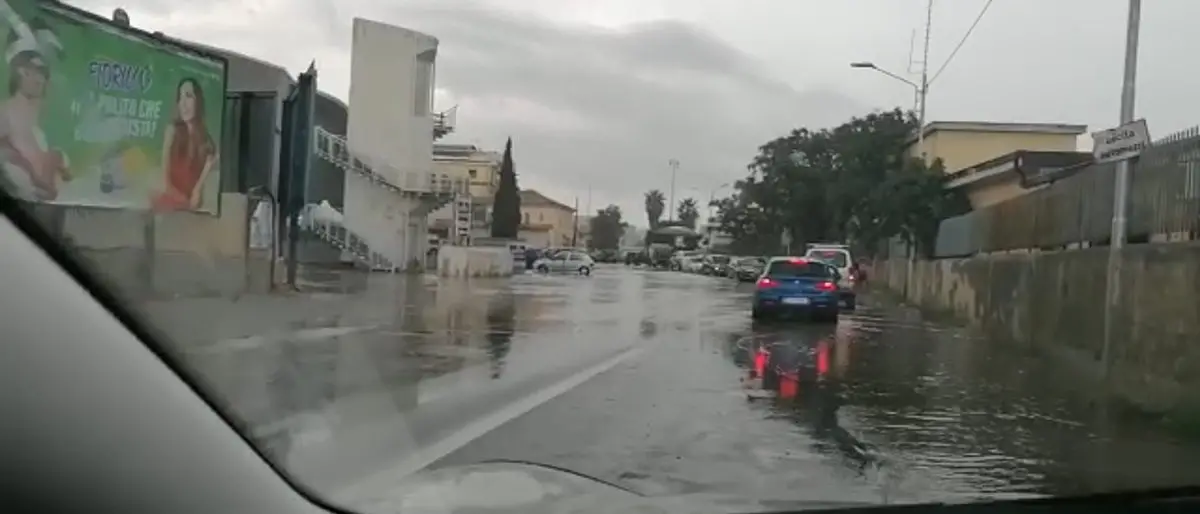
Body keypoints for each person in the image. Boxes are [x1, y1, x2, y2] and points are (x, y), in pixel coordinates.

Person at [0, 49, 69, 201]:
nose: (39, 80)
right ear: (19, 74)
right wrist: (31, 174)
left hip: (43, 188)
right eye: (31, 73)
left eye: (42, 74)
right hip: (23, 189)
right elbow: (4, 151)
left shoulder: (42, 113)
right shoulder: (5, 111)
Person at [151, 77, 218, 211]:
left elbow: (198, 196)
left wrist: (198, 189)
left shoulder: (204, 140)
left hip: (189, 211)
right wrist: (186, 203)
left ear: (198, 101)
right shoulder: (172, 131)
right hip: (170, 207)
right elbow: (166, 184)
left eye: (189, 96)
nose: (184, 104)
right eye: (180, 98)